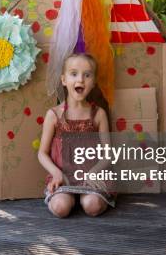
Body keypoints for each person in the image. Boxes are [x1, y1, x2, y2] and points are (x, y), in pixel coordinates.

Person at [38, 53, 115, 218]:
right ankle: (68, 198)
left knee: (92, 206)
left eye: (87, 75)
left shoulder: (98, 114)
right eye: (74, 74)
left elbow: (108, 155)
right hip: (63, 177)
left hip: (91, 175)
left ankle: (85, 198)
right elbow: (42, 153)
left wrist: (94, 172)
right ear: (64, 80)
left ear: (93, 82)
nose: (80, 80)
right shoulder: (54, 115)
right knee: (61, 207)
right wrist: (56, 173)